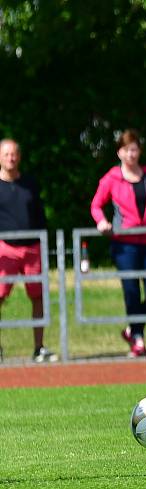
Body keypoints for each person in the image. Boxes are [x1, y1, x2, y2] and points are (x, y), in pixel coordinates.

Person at [90, 129, 146, 357]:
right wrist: (102, 221)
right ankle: (138, 338)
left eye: (134, 149)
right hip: (125, 243)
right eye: (126, 150)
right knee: (132, 291)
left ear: (139, 151)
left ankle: (133, 329)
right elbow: (96, 205)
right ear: (119, 152)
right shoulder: (111, 178)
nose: (131, 154)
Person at [0, 139, 57, 363]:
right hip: (5, 250)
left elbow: (40, 216)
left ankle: (39, 348)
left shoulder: (30, 183)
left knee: (38, 297)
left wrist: (43, 243)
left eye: (14, 154)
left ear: (19, 157)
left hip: (33, 248)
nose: (10, 158)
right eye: (6, 154)